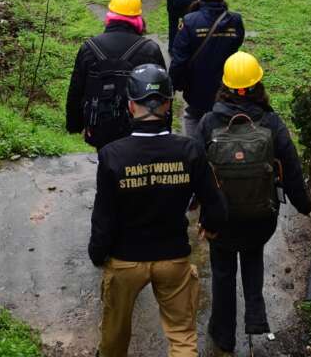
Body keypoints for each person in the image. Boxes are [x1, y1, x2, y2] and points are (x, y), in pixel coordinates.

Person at [89, 64, 227, 357]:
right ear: (168, 104)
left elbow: (104, 216)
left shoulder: (112, 155)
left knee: (114, 337)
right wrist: (211, 225)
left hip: (125, 260)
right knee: (182, 336)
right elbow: (215, 204)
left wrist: (98, 253)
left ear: (130, 105)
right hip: (173, 257)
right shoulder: (190, 151)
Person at [194, 52, 311, 355]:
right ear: (258, 84)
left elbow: (195, 168)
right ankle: (256, 319)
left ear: (225, 86)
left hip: (221, 219)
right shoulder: (271, 122)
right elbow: (291, 167)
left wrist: (194, 204)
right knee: (252, 257)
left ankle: (223, 335)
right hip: (260, 218)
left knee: (222, 271)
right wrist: (304, 204)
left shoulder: (208, 123)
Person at [66, 0, 165, 150]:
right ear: (138, 17)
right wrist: (164, 128)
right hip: (138, 130)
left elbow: (76, 90)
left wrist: (74, 125)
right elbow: (162, 91)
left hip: (100, 128)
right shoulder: (150, 49)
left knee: (105, 160)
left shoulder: (89, 48)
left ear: (110, 15)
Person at [168, 0, 245, 137]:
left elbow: (179, 60)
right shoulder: (236, 21)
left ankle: (196, 149)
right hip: (226, 88)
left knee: (193, 118)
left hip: (197, 89)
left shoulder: (190, 21)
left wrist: (172, 85)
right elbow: (236, 47)